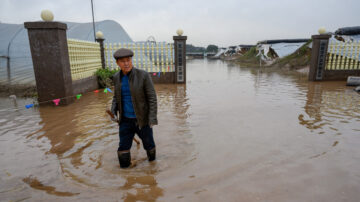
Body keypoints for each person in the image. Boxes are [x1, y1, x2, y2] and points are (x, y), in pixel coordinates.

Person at [111, 48, 158, 168]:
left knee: (149, 145)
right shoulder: (116, 77)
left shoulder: (143, 75)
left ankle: (153, 168)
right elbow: (116, 97)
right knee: (123, 148)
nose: (126, 63)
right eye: (123, 61)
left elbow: (152, 98)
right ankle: (126, 176)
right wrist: (113, 111)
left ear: (131, 60)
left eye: (128, 60)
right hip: (125, 120)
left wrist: (152, 118)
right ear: (117, 63)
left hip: (142, 120)